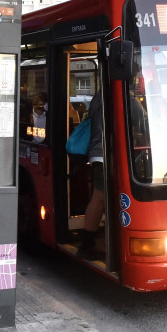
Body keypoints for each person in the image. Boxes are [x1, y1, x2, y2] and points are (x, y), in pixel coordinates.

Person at [77, 92, 104, 259]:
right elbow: (144, 122)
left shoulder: (98, 96)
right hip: (105, 154)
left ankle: (87, 243)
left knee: (99, 197)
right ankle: (86, 246)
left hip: (96, 152)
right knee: (100, 197)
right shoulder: (122, 93)